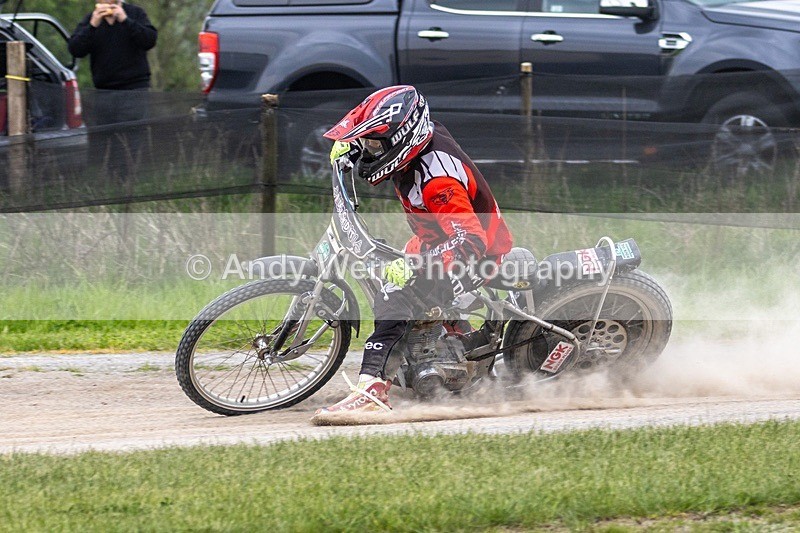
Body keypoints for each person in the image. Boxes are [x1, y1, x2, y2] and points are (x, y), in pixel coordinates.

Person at [313, 85, 513, 420]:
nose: (369, 152)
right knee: (393, 270)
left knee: (394, 294)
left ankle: (373, 390)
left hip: (480, 254)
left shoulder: (438, 183)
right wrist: (348, 149)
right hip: (436, 239)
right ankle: (440, 337)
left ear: (404, 140)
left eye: (375, 145)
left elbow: (470, 242)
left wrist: (419, 266)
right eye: (368, 143)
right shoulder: (420, 140)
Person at [68, 0, 157, 125]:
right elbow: (75, 49)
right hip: (104, 93)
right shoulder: (91, 19)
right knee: (106, 140)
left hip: (134, 91)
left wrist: (125, 20)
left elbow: (149, 40)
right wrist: (92, 25)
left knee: (134, 138)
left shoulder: (135, 13)